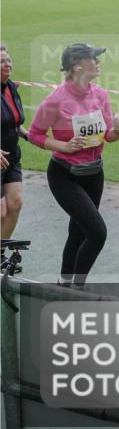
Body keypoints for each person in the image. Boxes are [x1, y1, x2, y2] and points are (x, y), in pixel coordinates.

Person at [28, 43, 119, 287]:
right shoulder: (55, 100)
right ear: (77, 65)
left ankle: (64, 283)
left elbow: (107, 136)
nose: (98, 62)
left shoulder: (100, 94)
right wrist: (64, 146)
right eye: (94, 58)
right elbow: (35, 134)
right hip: (65, 175)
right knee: (97, 233)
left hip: (94, 173)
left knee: (79, 231)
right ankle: (78, 287)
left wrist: (118, 131)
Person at [1, 44, 29, 273]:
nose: (7, 64)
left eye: (8, 60)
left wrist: (29, 135)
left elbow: (15, 121)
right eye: (2, 61)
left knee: (15, 203)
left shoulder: (10, 87)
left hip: (11, 158)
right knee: (0, 211)